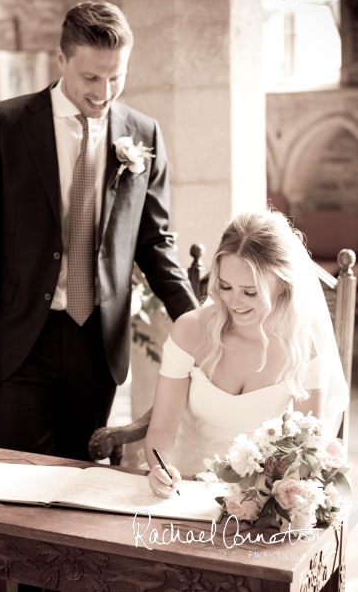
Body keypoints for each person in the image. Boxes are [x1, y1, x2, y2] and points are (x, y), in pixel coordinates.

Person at [0, 1, 198, 461]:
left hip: (97, 341)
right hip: (22, 337)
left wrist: (197, 320)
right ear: (61, 59)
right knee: (21, 477)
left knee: (82, 472)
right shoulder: (3, 125)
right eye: (91, 77)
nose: (104, 91)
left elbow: (155, 241)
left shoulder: (143, 134)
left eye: (116, 76)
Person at [145, 210, 350, 498]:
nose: (233, 301)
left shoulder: (305, 344)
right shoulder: (189, 331)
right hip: (184, 486)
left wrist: (271, 499)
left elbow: (306, 449)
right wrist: (161, 469)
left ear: (283, 284)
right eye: (225, 286)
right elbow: (162, 429)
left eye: (250, 292)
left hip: (262, 496)